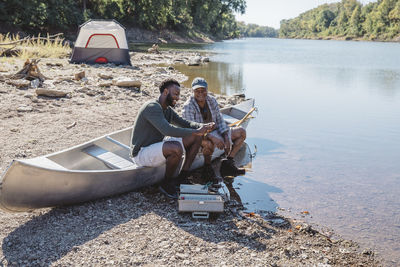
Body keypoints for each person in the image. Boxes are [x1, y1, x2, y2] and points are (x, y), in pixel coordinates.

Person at [130, 78, 214, 199]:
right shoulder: (152, 107)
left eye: (178, 95)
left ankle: (182, 176)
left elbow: (183, 123)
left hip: (156, 147)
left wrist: (202, 127)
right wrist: (196, 131)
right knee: (176, 148)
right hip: (141, 154)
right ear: (165, 92)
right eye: (175, 94)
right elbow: (167, 130)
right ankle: (166, 183)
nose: (178, 98)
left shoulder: (167, 110)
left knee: (196, 138)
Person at [182, 77, 246, 184]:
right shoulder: (188, 106)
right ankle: (207, 169)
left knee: (241, 132)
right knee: (209, 144)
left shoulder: (211, 100)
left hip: (214, 131)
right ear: (192, 91)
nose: (200, 93)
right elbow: (192, 130)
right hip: (197, 136)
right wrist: (212, 137)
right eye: (197, 91)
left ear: (207, 90)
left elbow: (220, 121)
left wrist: (226, 137)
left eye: (203, 90)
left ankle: (228, 163)